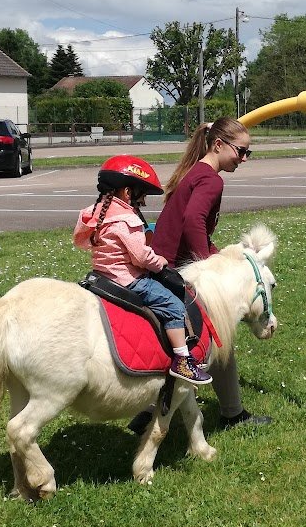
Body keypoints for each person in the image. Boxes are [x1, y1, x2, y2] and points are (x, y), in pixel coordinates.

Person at [129, 117, 272, 433]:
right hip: (174, 272)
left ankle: (151, 409)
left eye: (249, 152)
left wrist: (215, 252)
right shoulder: (211, 180)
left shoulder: (194, 173)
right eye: (242, 151)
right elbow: (193, 220)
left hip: (163, 268)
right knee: (215, 336)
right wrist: (212, 268)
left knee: (200, 338)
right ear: (218, 145)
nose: (244, 159)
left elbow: (192, 228)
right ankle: (225, 414)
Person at [73, 154, 212, 386]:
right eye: (141, 196)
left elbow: (82, 241)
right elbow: (140, 257)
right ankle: (182, 361)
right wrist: (160, 262)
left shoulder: (99, 214)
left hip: (103, 275)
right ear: (128, 193)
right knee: (173, 305)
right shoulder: (127, 220)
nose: (142, 202)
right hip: (128, 279)